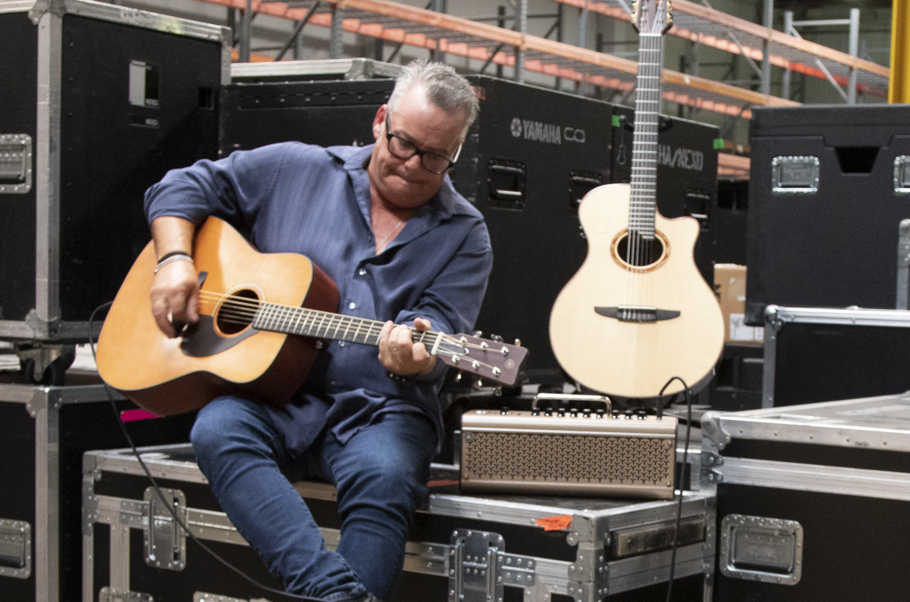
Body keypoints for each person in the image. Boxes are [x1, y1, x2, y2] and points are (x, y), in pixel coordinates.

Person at [143, 60, 490, 602]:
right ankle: (334, 593)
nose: (412, 164)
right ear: (380, 121)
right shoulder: (294, 168)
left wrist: (419, 356)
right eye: (403, 144)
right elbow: (179, 186)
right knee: (217, 429)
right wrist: (175, 261)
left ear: (456, 154)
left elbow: (441, 329)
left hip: (382, 409)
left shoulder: (465, 235)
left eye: (435, 156)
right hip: (277, 394)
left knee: (386, 480)